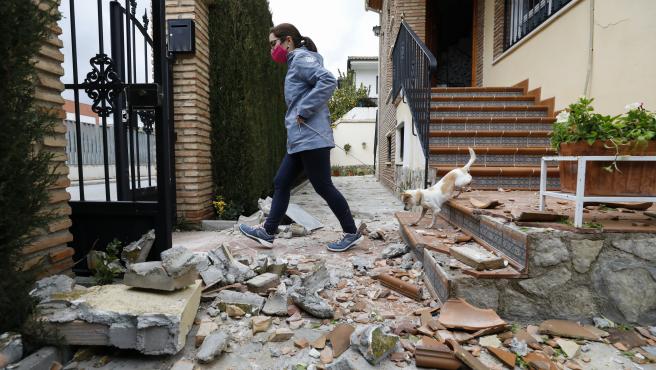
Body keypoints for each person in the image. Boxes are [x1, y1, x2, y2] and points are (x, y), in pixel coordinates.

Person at [238, 23, 362, 252]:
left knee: (323, 186)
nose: (272, 49)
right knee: (281, 181)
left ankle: (351, 232)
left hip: (311, 139)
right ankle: (268, 232)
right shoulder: (296, 62)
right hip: (300, 141)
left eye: (274, 43)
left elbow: (328, 80)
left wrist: (304, 110)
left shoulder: (302, 59)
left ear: (288, 41)